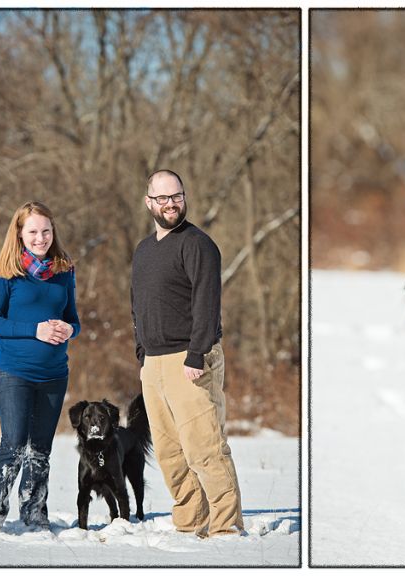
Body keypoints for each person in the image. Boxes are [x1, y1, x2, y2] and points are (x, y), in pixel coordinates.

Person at [131, 169, 244, 538]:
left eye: (176, 196)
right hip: (154, 364)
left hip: (189, 359)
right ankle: (191, 521)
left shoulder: (197, 244)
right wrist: (142, 353)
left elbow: (207, 303)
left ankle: (226, 526)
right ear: (149, 202)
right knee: (169, 454)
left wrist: (196, 354)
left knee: (204, 448)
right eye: (163, 198)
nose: (171, 204)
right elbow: (138, 304)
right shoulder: (144, 250)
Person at [0, 201, 80, 537]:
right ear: (19, 233)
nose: (40, 238)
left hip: (54, 374)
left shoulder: (64, 270)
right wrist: (35, 330)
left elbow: (74, 319)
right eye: (33, 231)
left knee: (40, 449)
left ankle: (35, 516)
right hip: (14, 371)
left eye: (46, 231)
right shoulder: (7, 271)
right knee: (14, 444)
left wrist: (69, 330)